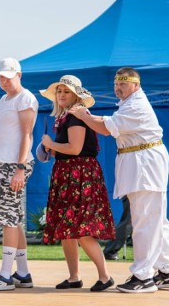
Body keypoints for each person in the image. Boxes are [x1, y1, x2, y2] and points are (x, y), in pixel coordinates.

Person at [70, 67, 169, 293]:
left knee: (144, 220)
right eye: (115, 84)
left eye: (123, 83)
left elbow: (105, 128)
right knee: (155, 220)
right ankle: (167, 271)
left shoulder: (136, 105)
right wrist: (90, 116)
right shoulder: (129, 105)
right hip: (140, 161)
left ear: (136, 85)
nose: (118, 88)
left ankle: (143, 276)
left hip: (144, 163)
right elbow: (109, 120)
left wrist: (84, 116)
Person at [39, 75, 115, 292]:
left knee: (81, 228)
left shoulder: (75, 116)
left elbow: (75, 149)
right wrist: (52, 149)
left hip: (79, 175)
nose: (62, 95)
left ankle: (105, 276)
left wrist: (51, 144)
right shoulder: (67, 116)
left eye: (66, 91)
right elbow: (69, 149)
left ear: (75, 94)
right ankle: (74, 277)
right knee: (67, 228)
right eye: (59, 91)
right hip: (69, 174)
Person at [0, 58, 38, 291]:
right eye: (1, 77)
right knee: (14, 218)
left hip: (15, 165)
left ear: (19, 75)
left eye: (8, 77)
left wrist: (20, 168)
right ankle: (22, 273)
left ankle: (5, 275)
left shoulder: (25, 98)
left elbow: (27, 135)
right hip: (3, 164)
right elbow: (1, 135)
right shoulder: (4, 100)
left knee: (8, 218)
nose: (4, 82)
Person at [103, 196, 132, 260]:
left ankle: (110, 251)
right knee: (129, 221)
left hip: (149, 190)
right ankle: (110, 251)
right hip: (138, 191)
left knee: (130, 221)